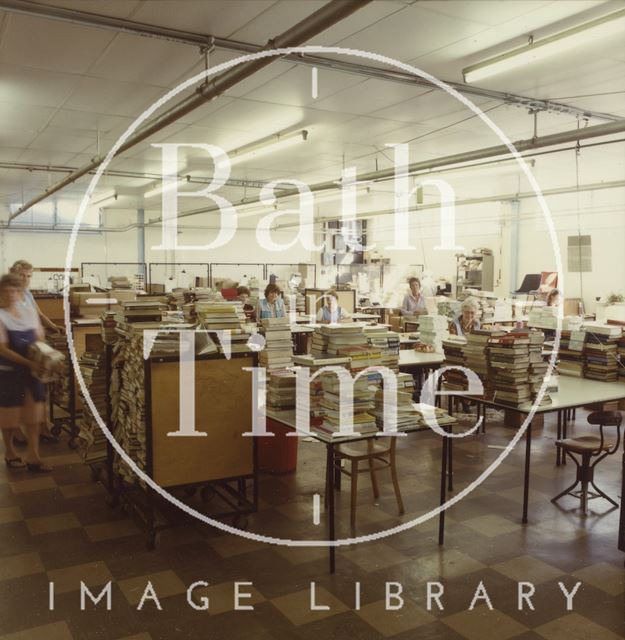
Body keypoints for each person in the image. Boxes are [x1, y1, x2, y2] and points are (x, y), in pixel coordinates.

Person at [0, 274, 51, 472]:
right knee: (9, 416)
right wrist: (29, 362)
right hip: (9, 372)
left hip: (32, 371)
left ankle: (33, 455)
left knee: (34, 414)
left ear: (20, 293)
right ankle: (10, 452)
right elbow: (3, 349)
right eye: (6, 291)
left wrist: (46, 356)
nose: (10, 294)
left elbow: (39, 337)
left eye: (14, 291)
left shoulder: (28, 311)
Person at [10, 260, 64, 333]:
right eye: (21, 275)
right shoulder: (7, 294)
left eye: (28, 276)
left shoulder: (27, 293)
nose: (25, 279)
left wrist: (54, 326)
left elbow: (39, 315)